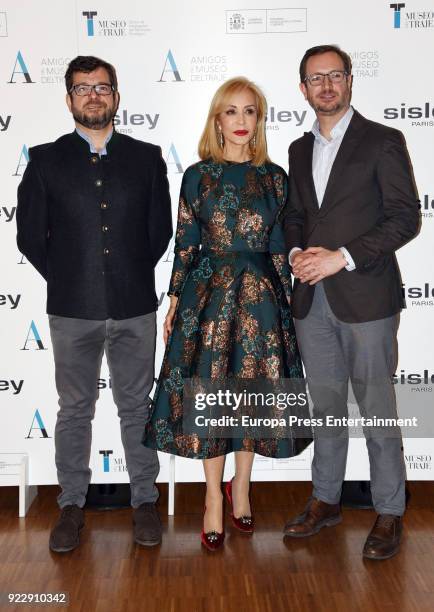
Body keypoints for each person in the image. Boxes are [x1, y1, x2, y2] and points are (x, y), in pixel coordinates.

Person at [143, 77, 311, 551]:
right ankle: (212, 497)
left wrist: (287, 306)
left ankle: (242, 487)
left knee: (251, 394)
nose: (240, 121)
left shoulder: (276, 178)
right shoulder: (198, 175)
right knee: (211, 393)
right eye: (231, 112)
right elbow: (187, 242)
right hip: (208, 297)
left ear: (259, 121)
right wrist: (175, 300)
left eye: (250, 112)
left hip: (261, 297)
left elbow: (279, 249)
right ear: (217, 120)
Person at [16, 55, 172, 552]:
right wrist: (69, 277)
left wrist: (122, 275)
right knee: (74, 411)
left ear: (116, 96)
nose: (94, 95)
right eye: (83, 87)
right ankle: (70, 506)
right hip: (71, 309)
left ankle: (144, 501)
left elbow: (159, 232)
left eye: (102, 86)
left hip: (134, 306)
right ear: (69, 99)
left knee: (135, 407)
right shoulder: (44, 160)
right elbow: (29, 237)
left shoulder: (147, 158)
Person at [282, 44, 420, 559]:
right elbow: (295, 214)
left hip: (366, 298)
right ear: (303, 88)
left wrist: (343, 257)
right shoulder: (297, 150)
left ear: (349, 81)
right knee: (326, 410)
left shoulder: (383, 141)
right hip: (310, 299)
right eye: (315, 78)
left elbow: (405, 218)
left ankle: (389, 510)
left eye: (334, 75)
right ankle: (326, 499)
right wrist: (297, 252)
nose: (326, 85)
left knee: (378, 409)